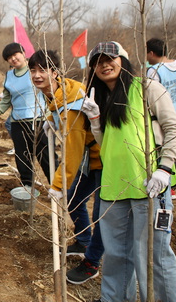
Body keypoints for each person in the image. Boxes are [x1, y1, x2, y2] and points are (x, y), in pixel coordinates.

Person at [82, 41, 176, 302]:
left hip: (149, 186)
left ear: (123, 61)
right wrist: (95, 120)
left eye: (110, 59)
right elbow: (106, 145)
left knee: (154, 257)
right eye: (98, 61)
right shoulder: (101, 98)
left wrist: (164, 169)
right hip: (113, 188)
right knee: (116, 256)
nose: (104, 65)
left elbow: (175, 129)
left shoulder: (146, 88)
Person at [28, 50, 104, 285]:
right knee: (74, 200)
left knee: (101, 214)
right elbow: (56, 108)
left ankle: (92, 263)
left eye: (43, 70)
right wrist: (51, 120)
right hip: (87, 159)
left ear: (55, 72)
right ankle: (83, 241)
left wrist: (58, 184)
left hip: (102, 159)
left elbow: (72, 150)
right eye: (33, 70)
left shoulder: (71, 102)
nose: (37, 75)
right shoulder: (58, 91)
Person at [0, 43, 51, 187]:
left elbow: (51, 90)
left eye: (15, 54)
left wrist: (52, 115)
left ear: (24, 53)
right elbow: (6, 100)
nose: (13, 59)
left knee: (46, 157)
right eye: (9, 58)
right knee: (22, 157)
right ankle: (27, 187)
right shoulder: (9, 76)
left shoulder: (36, 70)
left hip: (40, 121)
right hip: (18, 122)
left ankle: (57, 188)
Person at [146, 37, 176, 196]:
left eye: (147, 54)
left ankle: (169, 186)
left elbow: (149, 92)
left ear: (151, 53)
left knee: (160, 147)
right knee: (171, 143)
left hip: (161, 114)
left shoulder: (154, 70)